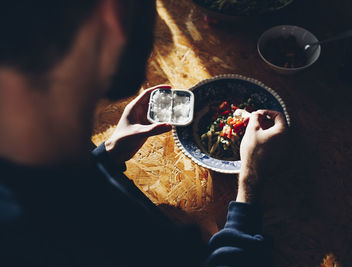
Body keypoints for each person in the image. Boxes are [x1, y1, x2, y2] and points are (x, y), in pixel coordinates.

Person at [0, 0, 288, 266]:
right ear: (111, 20)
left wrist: (108, 156)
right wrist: (250, 181)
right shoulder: (141, 244)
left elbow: (59, 200)